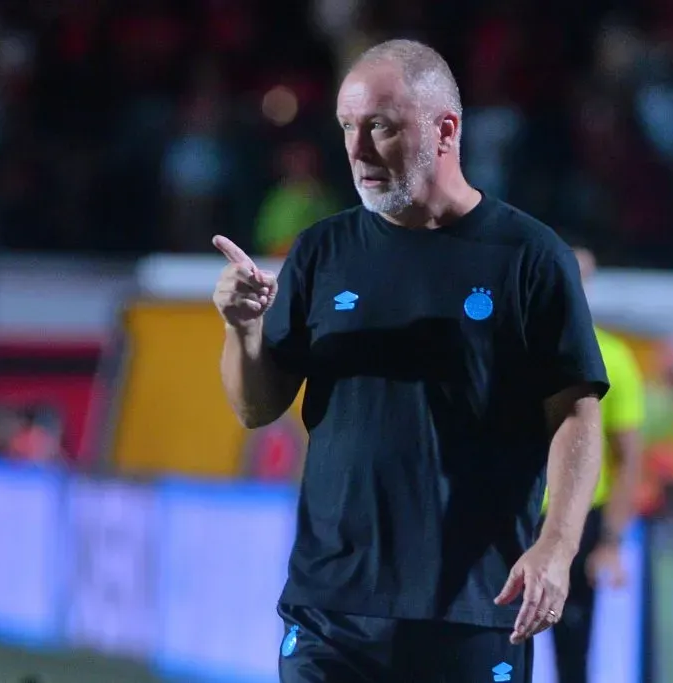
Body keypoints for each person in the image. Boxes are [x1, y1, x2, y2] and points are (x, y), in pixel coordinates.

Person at [211, 38, 608, 683]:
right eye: (347, 126)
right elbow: (256, 407)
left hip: (477, 605)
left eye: (381, 127)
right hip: (331, 608)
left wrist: (556, 548)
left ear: (445, 129)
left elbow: (576, 415)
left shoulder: (529, 257)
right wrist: (243, 328)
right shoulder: (322, 251)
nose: (357, 150)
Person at [542, 247, 646, 683]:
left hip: (580, 517)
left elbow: (628, 457)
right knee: (495, 639)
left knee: (573, 641)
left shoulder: (613, 356)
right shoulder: (512, 346)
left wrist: (612, 540)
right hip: (513, 512)